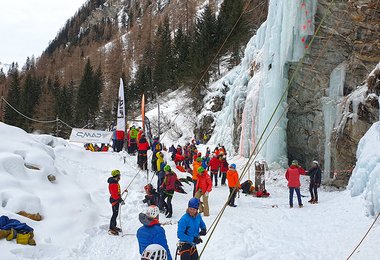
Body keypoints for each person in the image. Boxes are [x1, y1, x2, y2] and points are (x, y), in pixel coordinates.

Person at [107, 169, 127, 235]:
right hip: (115, 201)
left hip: (116, 200)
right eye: (119, 176)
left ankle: (113, 226)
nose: (120, 177)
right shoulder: (113, 184)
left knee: (115, 214)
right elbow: (114, 195)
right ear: (117, 176)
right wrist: (120, 200)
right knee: (114, 214)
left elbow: (116, 192)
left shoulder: (115, 182)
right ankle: (111, 228)